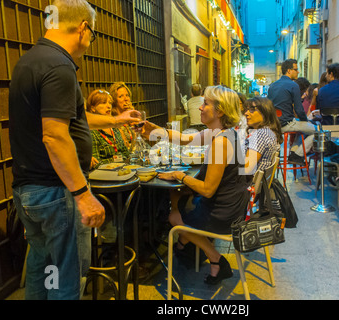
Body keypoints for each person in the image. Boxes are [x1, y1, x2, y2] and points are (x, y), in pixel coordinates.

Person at [8, 0, 140, 300]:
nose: (90, 42)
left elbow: (72, 116)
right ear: (83, 28)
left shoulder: (30, 61)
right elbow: (55, 136)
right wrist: (83, 195)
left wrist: (116, 119)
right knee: (66, 275)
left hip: (29, 189)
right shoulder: (59, 66)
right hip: (56, 192)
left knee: (43, 266)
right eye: (92, 35)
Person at [142, 85, 249, 284]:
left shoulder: (221, 142)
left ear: (220, 110)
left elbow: (208, 190)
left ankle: (213, 258)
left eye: (205, 103)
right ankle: (196, 252)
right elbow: (184, 139)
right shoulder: (220, 132)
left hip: (224, 211)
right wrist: (154, 130)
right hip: (232, 203)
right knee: (180, 202)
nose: (200, 107)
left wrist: (180, 176)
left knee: (174, 216)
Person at [268, 59, 316, 165]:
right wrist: (306, 121)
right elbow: (299, 110)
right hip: (287, 124)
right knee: (318, 132)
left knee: (302, 129)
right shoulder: (293, 85)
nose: (298, 72)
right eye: (296, 69)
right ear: (289, 71)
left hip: (274, 125)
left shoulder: (272, 86)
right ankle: (297, 155)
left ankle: (294, 153)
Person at [87, 89, 131, 167]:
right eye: (104, 103)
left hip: (123, 169)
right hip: (105, 174)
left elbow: (126, 154)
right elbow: (95, 163)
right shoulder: (92, 131)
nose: (108, 106)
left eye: (110, 103)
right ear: (93, 108)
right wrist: (115, 161)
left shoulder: (114, 127)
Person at [243, 97, 282, 175]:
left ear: (265, 112)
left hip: (249, 184)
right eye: (246, 110)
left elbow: (246, 170)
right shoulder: (268, 131)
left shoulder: (261, 134)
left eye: (252, 109)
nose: (246, 113)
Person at [109, 81, 135, 150]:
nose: (126, 99)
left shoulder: (131, 116)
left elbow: (141, 136)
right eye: (121, 96)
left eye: (127, 95)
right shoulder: (113, 119)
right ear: (114, 100)